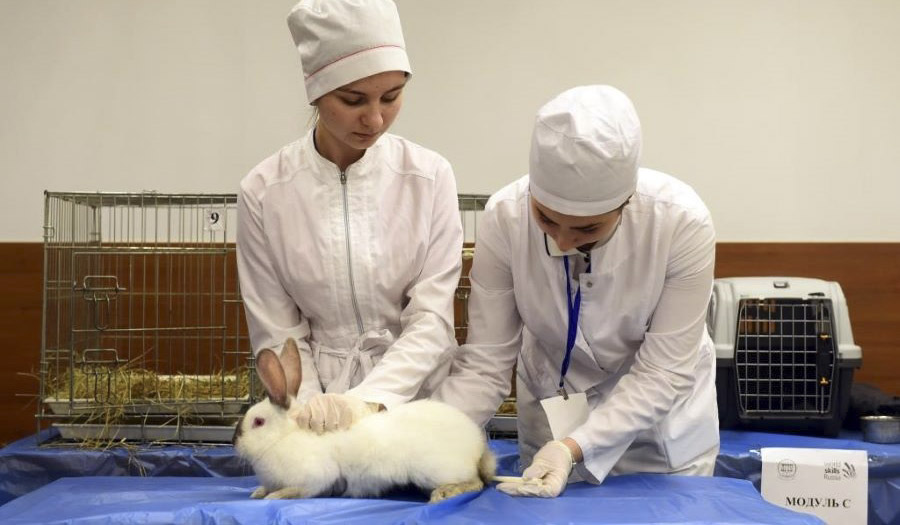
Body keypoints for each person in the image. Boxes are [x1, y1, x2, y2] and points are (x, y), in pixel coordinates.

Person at [433, 85, 719, 497]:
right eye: (546, 220)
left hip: (659, 439)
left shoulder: (681, 224)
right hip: (549, 421)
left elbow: (663, 372)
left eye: (587, 229)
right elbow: (486, 360)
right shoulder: (504, 217)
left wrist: (573, 447)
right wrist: (425, 435)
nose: (564, 242)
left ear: (626, 202)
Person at [237, 0, 463, 434]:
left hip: (414, 402)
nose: (375, 118)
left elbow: (432, 319)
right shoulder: (265, 191)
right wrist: (312, 414)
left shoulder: (429, 177)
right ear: (316, 91)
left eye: (392, 97)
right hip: (313, 410)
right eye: (353, 99)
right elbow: (277, 329)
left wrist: (365, 403)